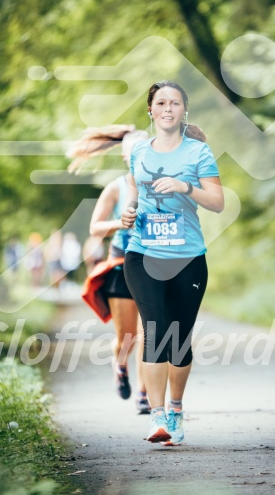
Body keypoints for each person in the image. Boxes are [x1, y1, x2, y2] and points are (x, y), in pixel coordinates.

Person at [121, 80, 224, 445]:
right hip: (143, 254)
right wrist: (128, 214)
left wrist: (185, 188)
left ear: (184, 110)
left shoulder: (198, 153)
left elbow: (216, 202)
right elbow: (133, 192)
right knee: (155, 329)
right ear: (150, 110)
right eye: (161, 103)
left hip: (188, 258)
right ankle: (158, 417)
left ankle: (177, 411)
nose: (167, 108)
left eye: (175, 103)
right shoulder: (138, 151)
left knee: (179, 340)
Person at [68, 125, 150, 414]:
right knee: (126, 337)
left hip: (154, 264)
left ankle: (144, 394)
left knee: (148, 334)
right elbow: (95, 227)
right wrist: (119, 223)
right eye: (135, 153)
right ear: (125, 157)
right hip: (121, 265)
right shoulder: (115, 188)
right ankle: (120, 365)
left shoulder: (162, 183)